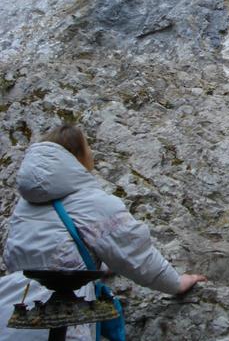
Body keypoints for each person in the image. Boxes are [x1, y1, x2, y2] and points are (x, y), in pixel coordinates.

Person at [0, 124, 207, 340]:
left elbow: (43, 253)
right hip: (62, 321)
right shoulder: (92, 202)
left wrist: (95, 262)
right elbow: (136, 255)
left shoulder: (24, 204)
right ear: (77, 156)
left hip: (11, 309)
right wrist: (176, 283)